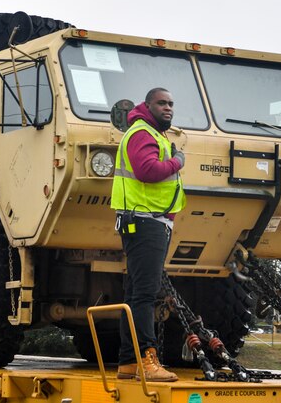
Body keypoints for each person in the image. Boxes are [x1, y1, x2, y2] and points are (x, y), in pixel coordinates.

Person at [111, 87, 186, 382]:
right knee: (145, 293)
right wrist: (178, 161)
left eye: (171, 103)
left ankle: (129, 362)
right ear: (148, 105)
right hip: (145, 222)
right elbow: (148, 171)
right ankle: (146, 359)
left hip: (148, 221)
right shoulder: (143, 133)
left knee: (135, 293)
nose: (168, 108)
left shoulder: (152, 133)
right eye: (161, 103)